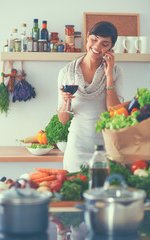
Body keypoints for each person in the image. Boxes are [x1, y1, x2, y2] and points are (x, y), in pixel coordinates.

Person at [57, 21, 123, 172]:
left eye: (104, 44)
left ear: (111, 47)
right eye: (94, 39)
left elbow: (114, 112)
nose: (97, 47)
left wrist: (109, 77)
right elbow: (63, 120)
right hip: (76, 148)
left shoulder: (116, 71)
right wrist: (66, 101)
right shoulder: (66, 72)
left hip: (106, 148)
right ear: (87, 37)